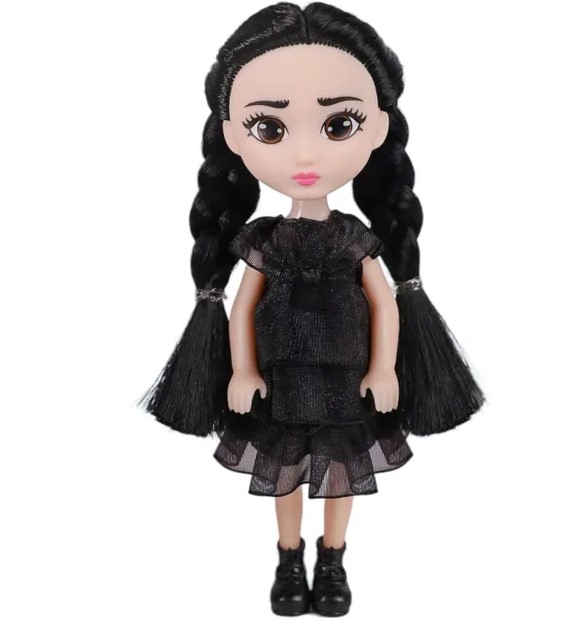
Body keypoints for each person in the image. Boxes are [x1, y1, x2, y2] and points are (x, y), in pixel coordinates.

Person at [138, 2, 485, 617]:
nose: (304, 154)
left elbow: (385, 302)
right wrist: (243, 370)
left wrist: (385, 368)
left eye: (338, 124)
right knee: (284, 472)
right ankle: (288, 557)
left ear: (378, 128)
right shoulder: (264, 240)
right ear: (232, 135)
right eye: (270, 128)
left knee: (341, 471)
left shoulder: (355, 238)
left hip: (345, 381)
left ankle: (333, 558)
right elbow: (242, 306)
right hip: (281, 382)